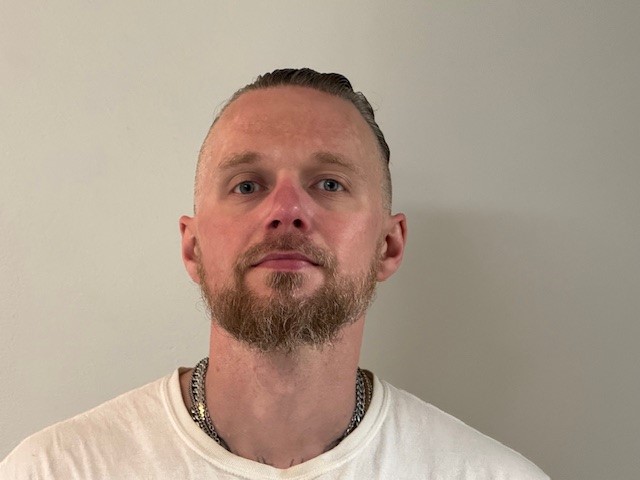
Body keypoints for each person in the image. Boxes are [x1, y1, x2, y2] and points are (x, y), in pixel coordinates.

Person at [1, 68, 549, 479]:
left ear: (388, 244)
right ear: (193, 247)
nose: (286, 210)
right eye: (247, 185)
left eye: (329, 183)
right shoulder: (55, 470)